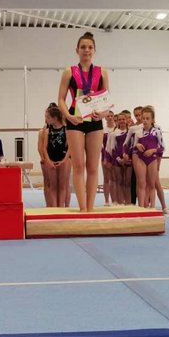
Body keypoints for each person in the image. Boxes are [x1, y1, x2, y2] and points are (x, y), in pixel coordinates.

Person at [58, 32, 110, 212]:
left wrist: (103, 114)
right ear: (77, 50)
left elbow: (106, 99)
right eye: (83, 47)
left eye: (89, 47)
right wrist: (68, 116)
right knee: (79, 166)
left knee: (93, 167)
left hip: (94, 121)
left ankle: (91, 208)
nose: (86, 50)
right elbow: (61, 99)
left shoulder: (102, 72)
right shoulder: (69, 72)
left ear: (94, 50)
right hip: (76, 119)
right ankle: (82, 209)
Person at [39, 103, 70, 207]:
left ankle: (61, 207)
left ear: (55, 118)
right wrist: (48, 161)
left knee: (62, 186)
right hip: (51, 160)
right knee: (52, 186)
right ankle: (54, 207)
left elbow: (70, 148)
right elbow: (44, 148)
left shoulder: (66, 130)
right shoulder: (47, 131)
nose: (46, 119)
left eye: (48, 117)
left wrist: (64, 160)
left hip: (63, 160)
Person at [133, 106, 164, 209]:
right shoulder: (138, 131)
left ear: (152, 120)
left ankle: (153, 207)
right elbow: (133, 145)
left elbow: (162, 148)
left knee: (152, 184)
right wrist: (137, 145)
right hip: (141, 158)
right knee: (141, 184)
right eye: (143, 118)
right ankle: (141, 207)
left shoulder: (157, 131)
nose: (145, 120)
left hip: (152, 159)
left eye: (147, 118)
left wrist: (153, 150)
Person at [101, 110, 116, 207]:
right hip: (105, 155)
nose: (110, 117)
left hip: (115, 156)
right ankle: (106, 200)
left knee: (114, 179)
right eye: (108, 116)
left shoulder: (116, 129)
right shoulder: (103, 130)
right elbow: (101, 145)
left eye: (111, 116)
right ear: (105, 118)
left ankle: (114, 200)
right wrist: (104, 158)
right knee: (106, 178)